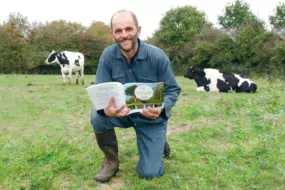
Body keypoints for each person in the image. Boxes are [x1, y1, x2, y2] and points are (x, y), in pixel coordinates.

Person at [90, 9, 181, 183]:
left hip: (150, 117)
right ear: (112, 34)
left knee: (149, 173)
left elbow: (173, 90)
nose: (124, 35)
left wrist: (161, 108)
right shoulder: (107, 56)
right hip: (121, 114)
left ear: (138, 30)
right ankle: (111, 161)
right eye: (118, 31)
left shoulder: (157, 56)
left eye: (128, 29)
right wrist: (106, 110)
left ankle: (159, 142)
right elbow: (100, 91)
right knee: (97, 116)